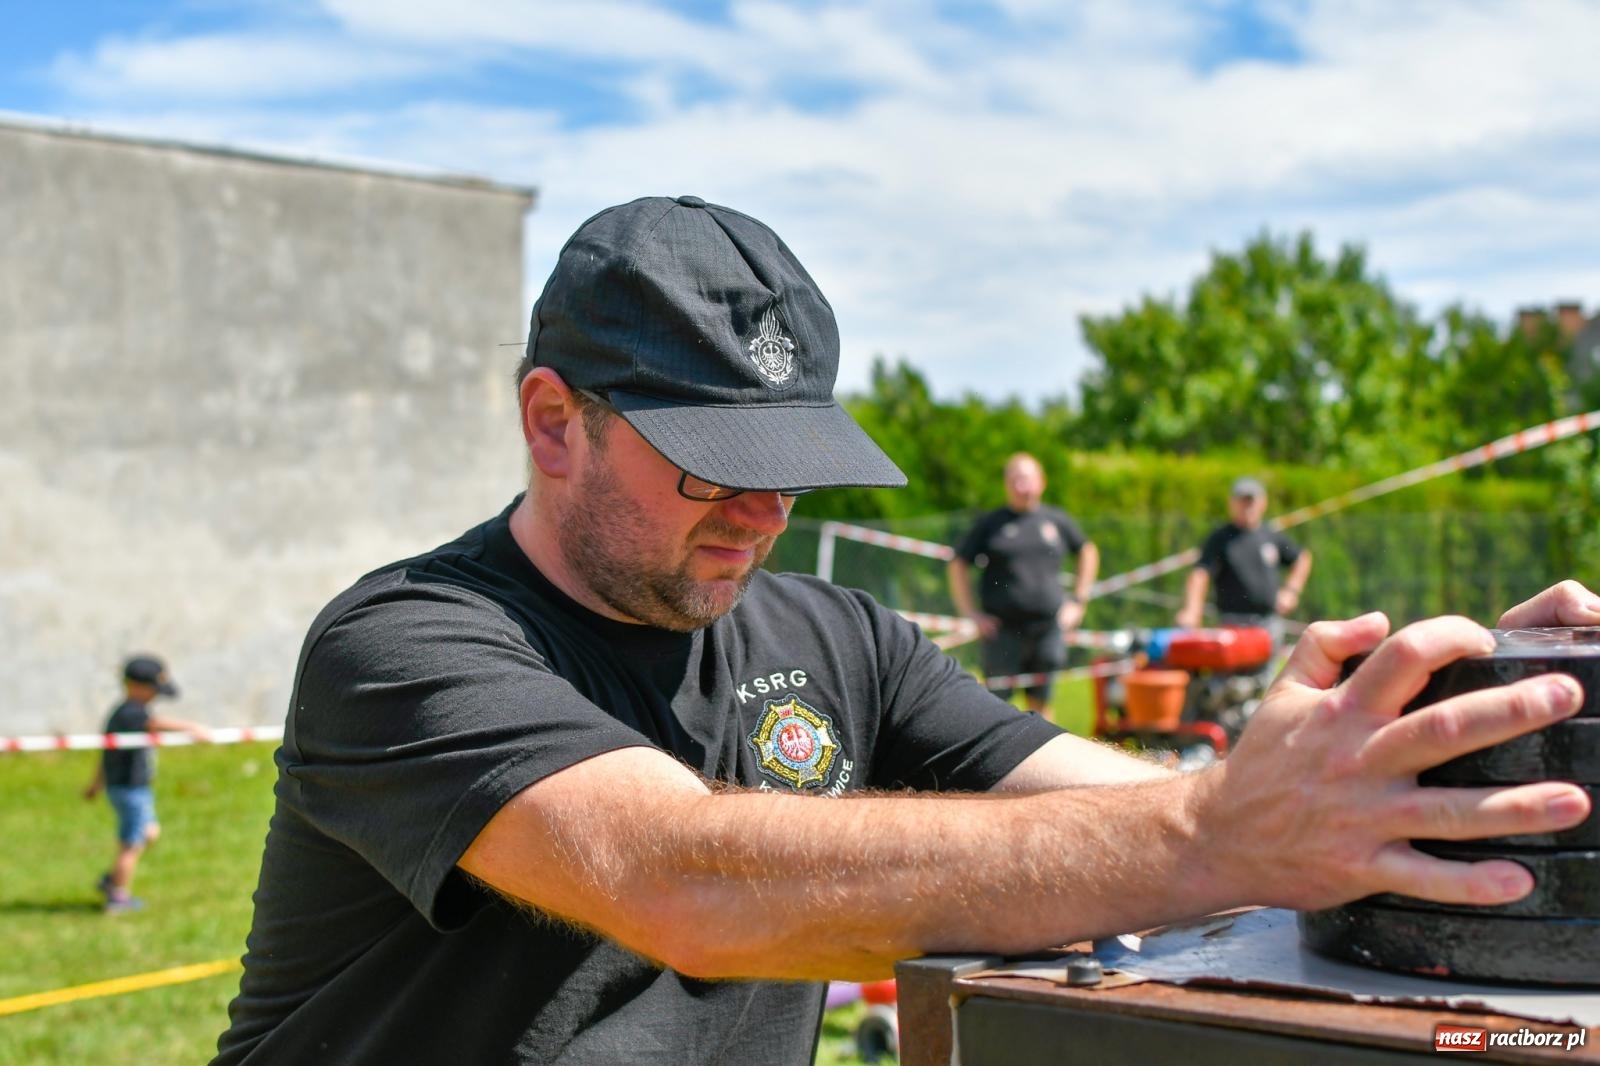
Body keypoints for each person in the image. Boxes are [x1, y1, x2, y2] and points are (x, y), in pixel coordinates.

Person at [215, 196, 1594, 1066]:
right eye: (709, 461)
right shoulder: (405, 644)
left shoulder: (837, 637)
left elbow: (1124, 807)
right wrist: (1215, 833)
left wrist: (1436, 740)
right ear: (551, 421)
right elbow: (678, 875)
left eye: (790, 460)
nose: (762, 510)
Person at [948, 453, 1099, 717]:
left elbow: (1087, 551)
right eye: (1015, 480)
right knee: (995, 710)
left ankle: (1041, 757)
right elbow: (958, 563)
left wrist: (1078, 601)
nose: (1022, 486)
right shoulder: (991, 523)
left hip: (1047, 630)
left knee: (1042, 710)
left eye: (1027, 479)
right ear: (1007, 484)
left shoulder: (1056, 520)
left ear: (1041, 482)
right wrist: (970, 613)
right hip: (1002, 633)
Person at [83, 655, 210, 913]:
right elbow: (155, 724)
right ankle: (117, 896)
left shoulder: (126, 712)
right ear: (134, 685)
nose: (155, 697)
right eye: (153, 690)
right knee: (132, 844)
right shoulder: (130, 713)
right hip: (130, 790)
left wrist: (97, 783)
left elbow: (106, 754)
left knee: (148, 833)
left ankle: (112, 879)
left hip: (130, 788)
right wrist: (191, 728)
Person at [1175, 476, 1313, 646]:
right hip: (1232, 624)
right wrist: (1192, 609)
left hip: (1268, 624)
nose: (1247, 506)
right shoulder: (1221, 539)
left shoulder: (1272, 536)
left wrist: (1291, 591)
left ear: (1263, 503)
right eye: (1242, 501)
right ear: (1231, 503)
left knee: (1269, 673)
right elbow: (1200, 574)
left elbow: (1301, 558)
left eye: (1251, 501)